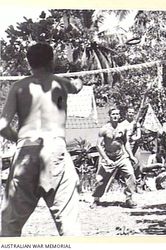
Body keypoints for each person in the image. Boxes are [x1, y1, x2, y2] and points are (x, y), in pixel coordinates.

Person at [0, 42, 83, 236]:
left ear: (29, 63)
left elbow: (2, 125)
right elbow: (77, 86)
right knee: (69, 224)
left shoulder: (18, 86)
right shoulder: (61, 83)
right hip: (55, 148)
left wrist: (19, 140)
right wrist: (79, 78)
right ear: (51, 60)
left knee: (9, 225)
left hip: (25, 150)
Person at [90, 107, 138, 209]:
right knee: (101, 179)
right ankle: (96, 200)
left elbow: (126, 143)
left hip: (121, 157)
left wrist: (131, 156)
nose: (115, 116)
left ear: (120, 116)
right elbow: (98, 145)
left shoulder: (123, 128)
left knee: (130, 174)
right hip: (108, 157)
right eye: (113, 114)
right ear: (110, 116)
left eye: (117, 114)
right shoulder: (104, 129)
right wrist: (106, 159)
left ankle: (129, 199)